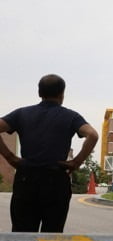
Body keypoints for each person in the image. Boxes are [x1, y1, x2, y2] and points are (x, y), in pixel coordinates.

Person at [0, 74, 98, 232]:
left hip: (26, 179)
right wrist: (76, 162)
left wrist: (10, 157)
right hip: (56, 180)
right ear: (62, 94)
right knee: (52, 235)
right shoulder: (71, 116)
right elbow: (92, 135)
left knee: (22, 234)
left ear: (39, 93)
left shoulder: (21, 114)